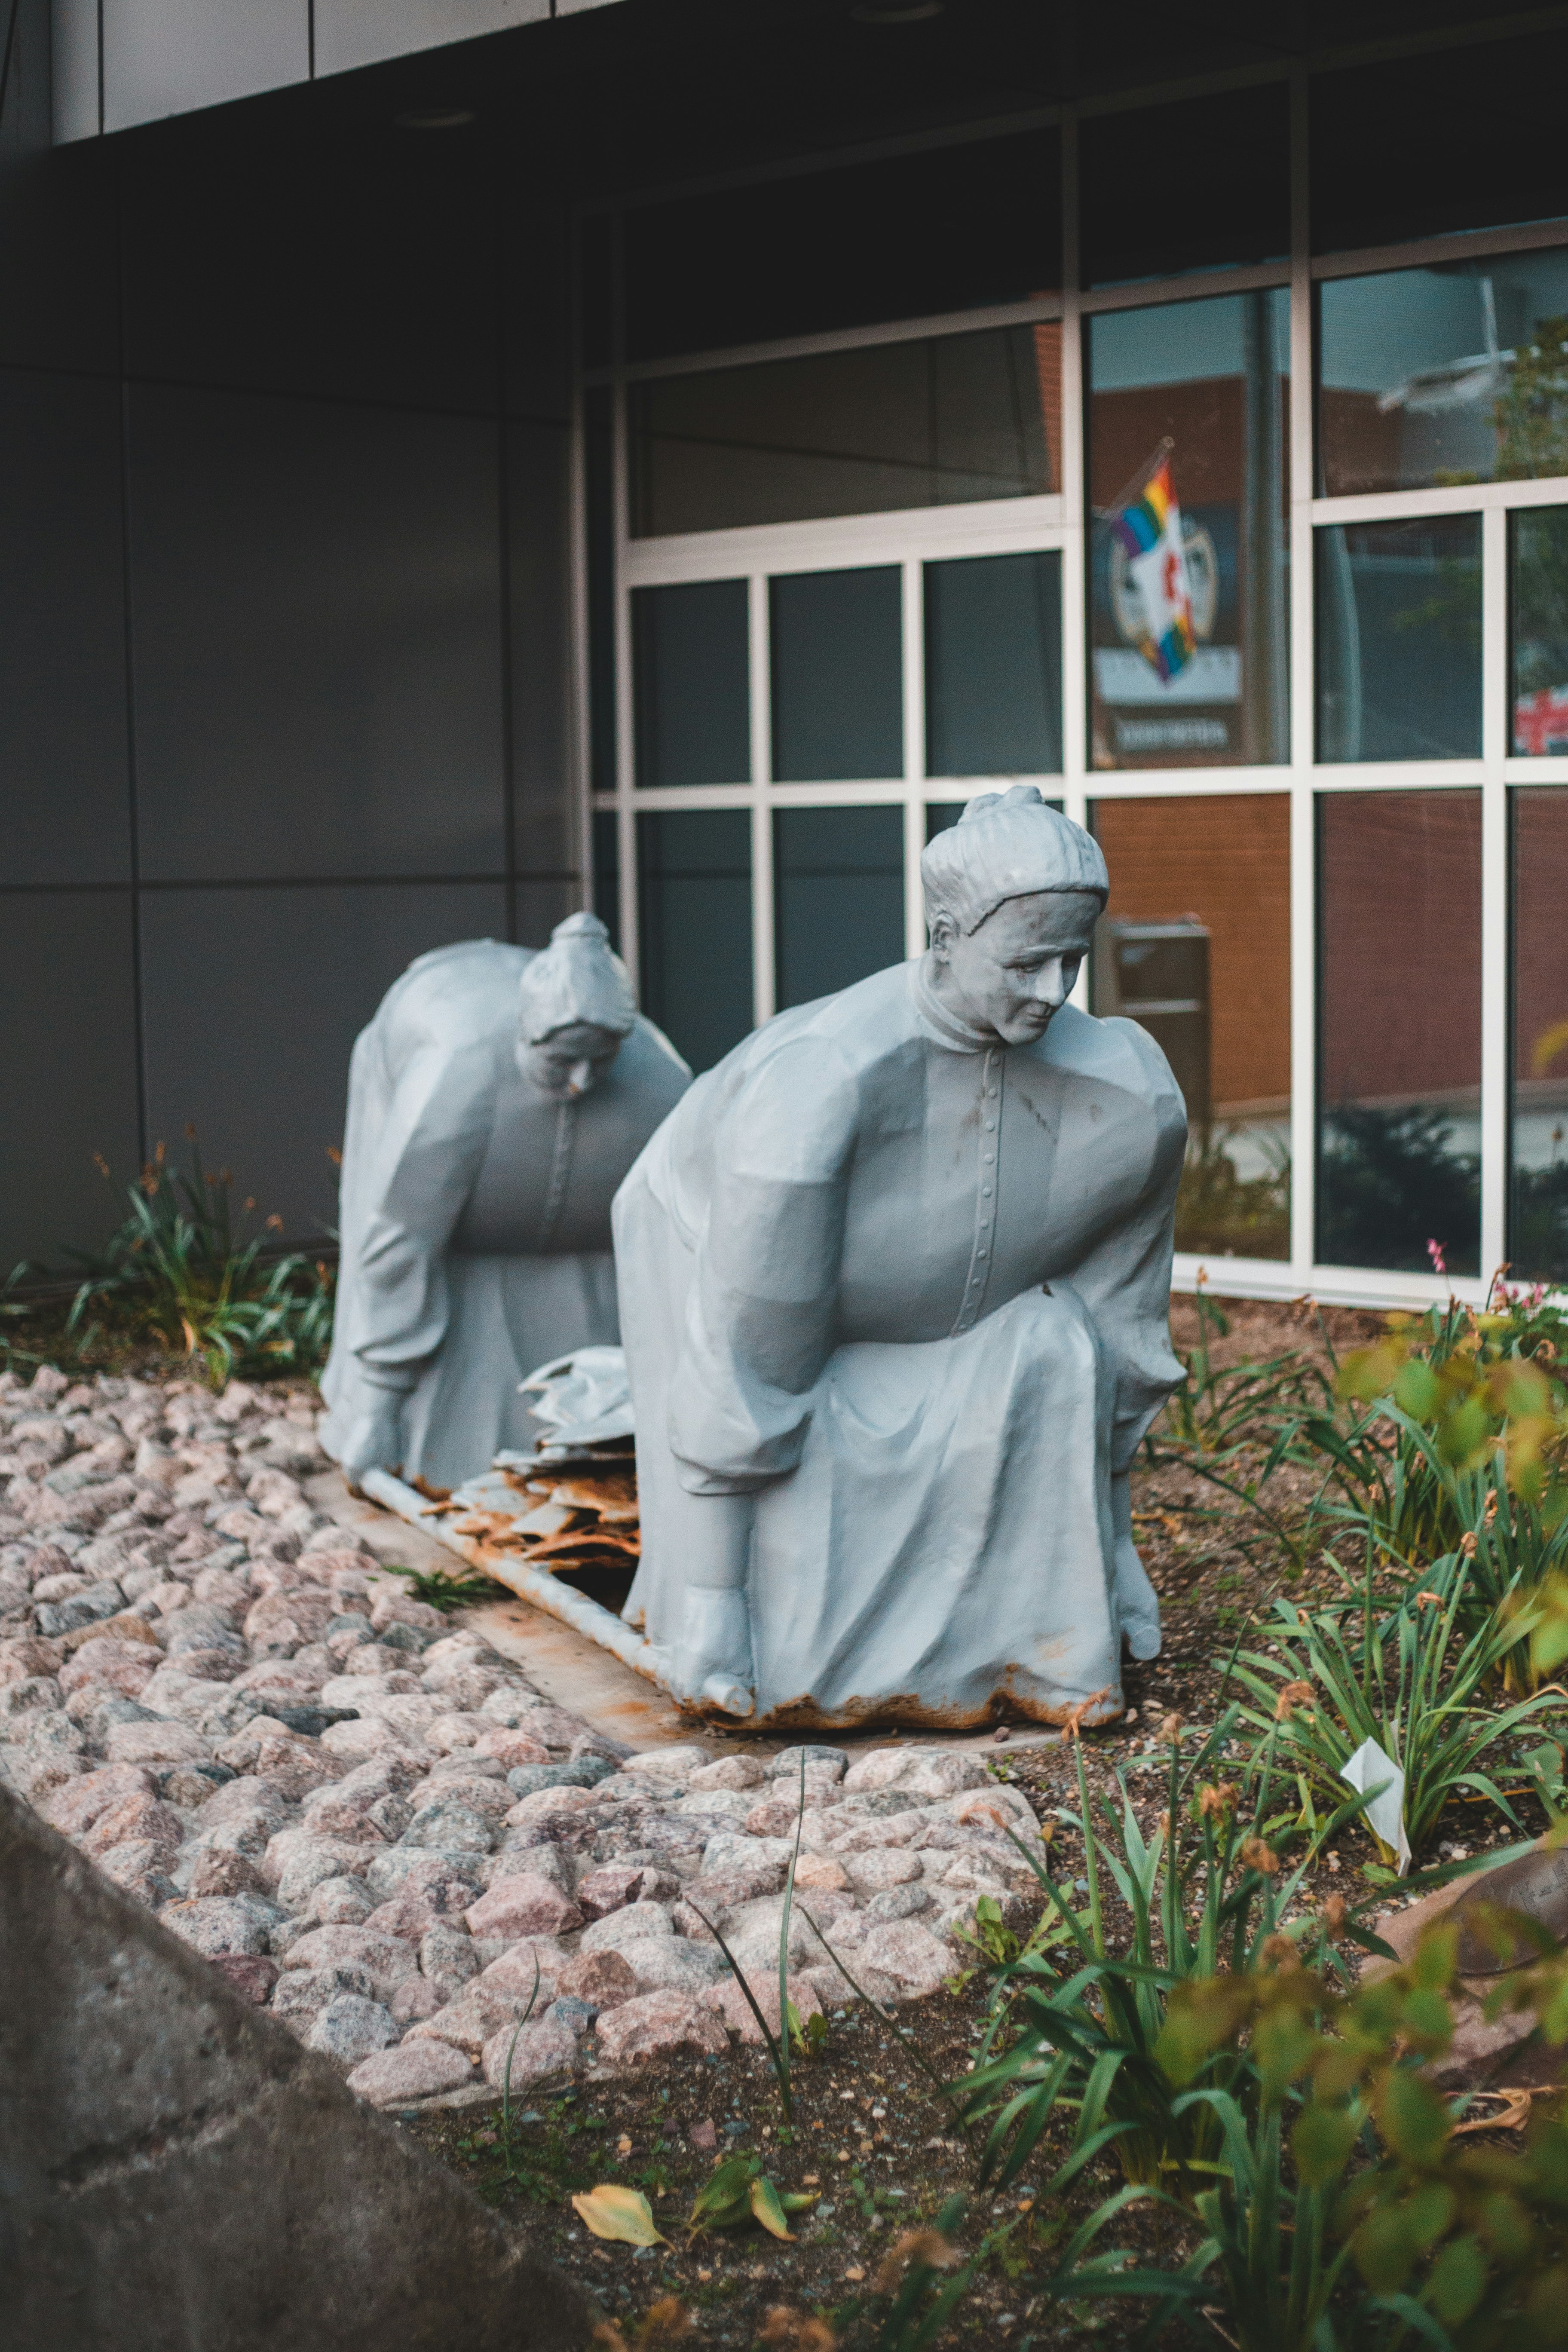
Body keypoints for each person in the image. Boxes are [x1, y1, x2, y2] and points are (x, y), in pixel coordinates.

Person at [614, 788, 1185, 1727]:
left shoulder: (1129, 1094)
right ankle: (746, 1635)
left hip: (929, 1319)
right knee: (766, 1473)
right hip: (705, 1245)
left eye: (1072, 962)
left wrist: (1115, 1552)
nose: (1053, 993)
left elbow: (1122, 1331)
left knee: (1057, 1342)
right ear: (946, 934)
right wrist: (713, 1601)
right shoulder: (819, 1092)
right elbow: (744, 1359)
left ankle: (1034, 1653)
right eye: (1025, 962)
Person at [319, 913, 689, 1491]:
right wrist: (378, 1402)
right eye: (563, 1059)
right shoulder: (454, 1077)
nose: (583, 1081)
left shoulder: (661, 1081)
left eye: (601, 1058)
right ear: (526, 1035)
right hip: (417, 1053)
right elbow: (399, 1239)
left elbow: (678, 1237)